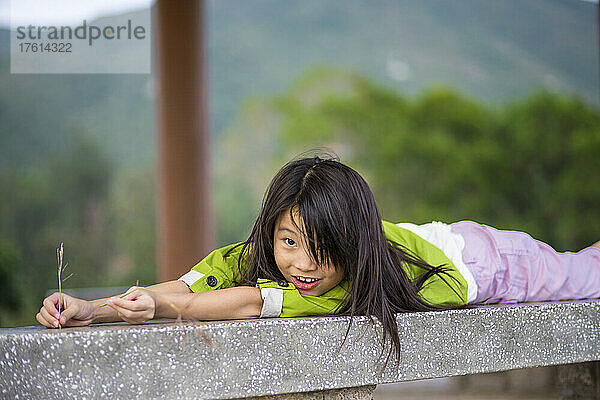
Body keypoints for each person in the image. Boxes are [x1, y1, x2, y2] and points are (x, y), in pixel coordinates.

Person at [37, 155, 600, 363]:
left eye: (323, 247)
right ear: (270, 230)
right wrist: (101, 309)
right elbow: (185, 287)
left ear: (351, 242)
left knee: (584, 276)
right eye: (288, 242)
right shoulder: (257, 255)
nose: (302, 265)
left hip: (488, 261)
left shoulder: (357, 277)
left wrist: (124, 309)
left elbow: (247, 303)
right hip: (447, 240)